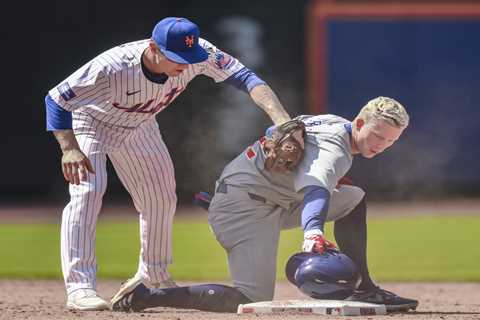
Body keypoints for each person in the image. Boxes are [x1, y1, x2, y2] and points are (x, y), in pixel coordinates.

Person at [45, 17, 294, 311]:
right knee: (88, 192)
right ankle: (80, 287)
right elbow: (57, 99)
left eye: (191, 58)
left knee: (161, 197)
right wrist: (69, 148)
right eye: (178, 58)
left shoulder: (200, 54)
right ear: (154, 49)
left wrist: (284, 123)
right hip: (92, 122)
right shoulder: (112, 66)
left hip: (140, 125)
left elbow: (249, 79)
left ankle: (153, 276)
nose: (186, 65)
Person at [110, 96, 419, 313]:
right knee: (251, 298)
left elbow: (275, 133)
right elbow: (315, 190)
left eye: (390, 141)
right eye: (378, 135)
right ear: (361, 121)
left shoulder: (331, 123)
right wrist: (312, 233)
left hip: (264, 198)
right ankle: (146, 295)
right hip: (246, 209)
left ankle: (365, 288)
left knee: (353, 198)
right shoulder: (335, 151)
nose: (381, 145)